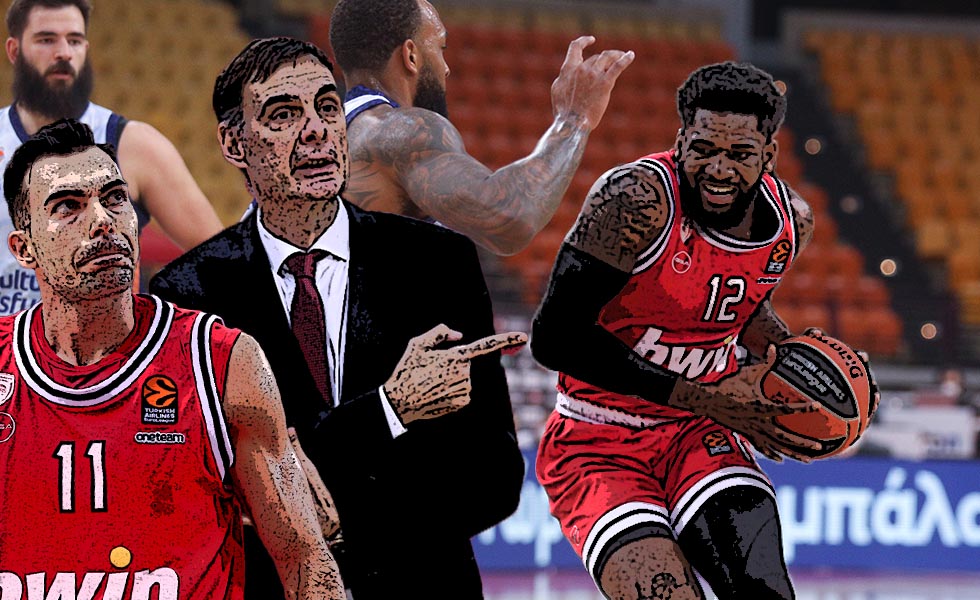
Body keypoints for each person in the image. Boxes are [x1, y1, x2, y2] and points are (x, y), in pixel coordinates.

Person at [149, 37, 527, 599]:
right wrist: (389, 409)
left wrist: (323, 520)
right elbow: (203, 492)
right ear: (233, 143)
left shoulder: (439, 263)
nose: (317, 131)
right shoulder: (187, 293)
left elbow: (494, 476)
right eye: (284, 114)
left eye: (328, 107)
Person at [531, 61, 878, 599]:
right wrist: (708, 399)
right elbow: (554, 337)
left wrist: (793, 356)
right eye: (703, 149)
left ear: (768, 155)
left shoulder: (792, 223)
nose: (719, 169)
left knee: (763, 591)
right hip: (599, 438)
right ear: (680, 141)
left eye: (739, 154)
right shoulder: (634, 200)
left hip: (698, 433)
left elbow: (738, 306)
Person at [0, 119, 343, 599]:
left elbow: (305, 560)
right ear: (25, 249)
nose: (102, 220)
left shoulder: (222, 361)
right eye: (68, 206)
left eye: (115, 198)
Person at [329, 0, 634, 255]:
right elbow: (510, 218)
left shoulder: (335, 134)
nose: (446, 68)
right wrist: (574, 118)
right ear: (411, 55)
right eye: (440, 47)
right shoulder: (402, 131)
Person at [0, 0, 224, 315]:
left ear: (86, 49)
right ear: (14, 50)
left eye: (74, 40)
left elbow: (224, 265)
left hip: (106, 343)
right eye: (46, 39)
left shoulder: (135, 144)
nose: (63, 52)